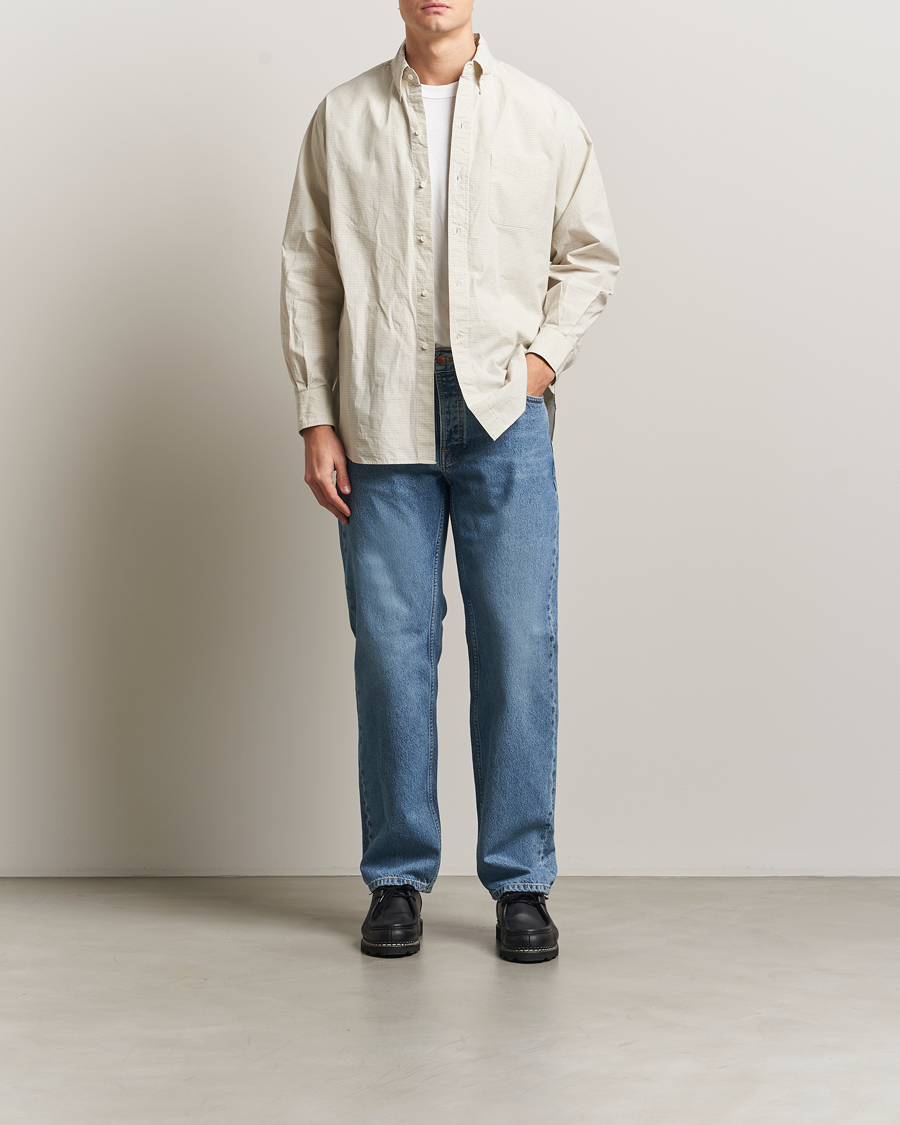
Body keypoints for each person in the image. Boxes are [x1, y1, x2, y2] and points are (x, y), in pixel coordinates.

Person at [281, 0, 618, 963]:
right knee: (392, 653)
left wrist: (539, 366)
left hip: (503, 416)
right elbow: (309, 270)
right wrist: (316, 414)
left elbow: (590, 255)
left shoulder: (542, 115)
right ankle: (396, 878)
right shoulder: (341, 116)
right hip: (377, 410)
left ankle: (520, 882)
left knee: (516, 646)